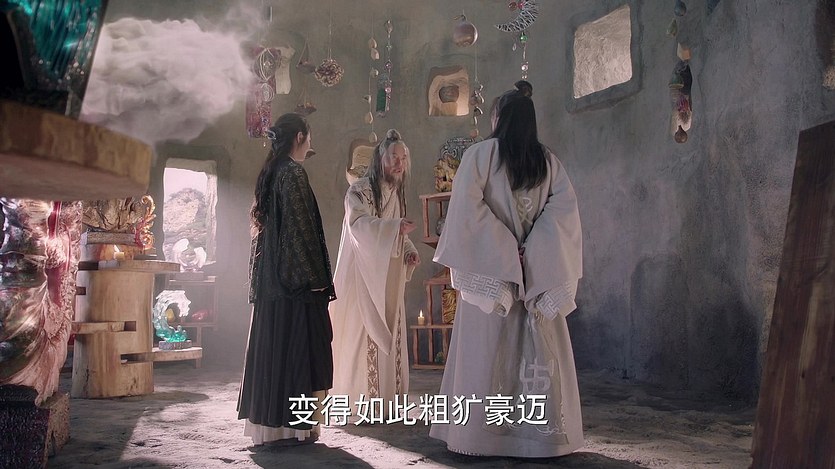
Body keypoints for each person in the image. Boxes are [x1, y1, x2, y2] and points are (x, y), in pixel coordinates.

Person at [428, 81, 584, 457]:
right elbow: (563, 215)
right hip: (536, 277)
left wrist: (504, 252)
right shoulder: (548, 162)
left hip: (492, 276)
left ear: (499, 118)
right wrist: (532, 253)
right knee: (538, 360)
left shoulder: (481, 155)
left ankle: (480, 437)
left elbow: (467, 209)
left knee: (484, 356)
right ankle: (539, 440)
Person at [238, 113, 336, 446]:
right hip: (292, 284)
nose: (310, 143)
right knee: (297, 350)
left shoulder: (273, 172)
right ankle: (295, 428)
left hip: (273, 281)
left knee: (275, 352)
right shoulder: (292, 172)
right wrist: (315, 278)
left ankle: (276, 429)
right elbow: (300, 229)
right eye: (309, 137)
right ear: (299, 137)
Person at [329, 129, 420, 410]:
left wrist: (408, 250)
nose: (399, 163)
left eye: (403, 158)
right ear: (381, 158)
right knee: (362, 338)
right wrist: (395, 229)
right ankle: (363, 402)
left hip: (387, 276)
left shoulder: (394, 192)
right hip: (363, 275)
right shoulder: (359, 191)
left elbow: (394, 227)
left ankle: (389, 400)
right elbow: (359, 225)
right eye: (394, 157)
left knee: (390, 332)